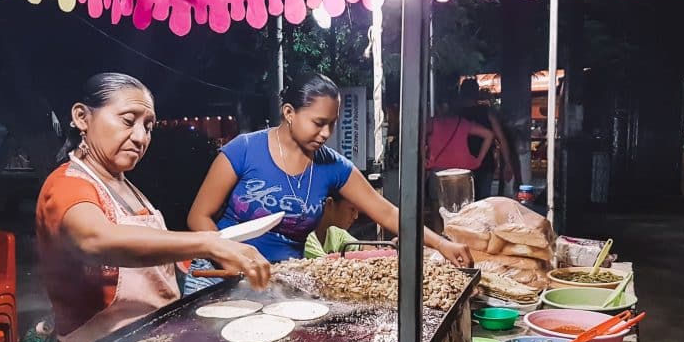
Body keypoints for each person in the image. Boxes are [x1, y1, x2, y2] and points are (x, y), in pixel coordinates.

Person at [36, 73, 270, 342]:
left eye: (148, 127)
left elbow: (150, 263)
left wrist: (203, 266)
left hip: (150, 340)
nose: (140, 137)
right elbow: (97, 240)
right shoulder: (66, 184)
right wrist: (209, 242)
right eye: (127, 120)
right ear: (82, 117)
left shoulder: (125, 187)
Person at [188, 73, 472, 266]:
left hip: (279, 282)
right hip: (217, 275)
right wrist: (230, 259)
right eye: (318, 122)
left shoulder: (333, 166)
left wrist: (442, 244)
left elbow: (387, 213)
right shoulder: (244, 149)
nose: (326, 133)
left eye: (332, 124)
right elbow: (198, 216)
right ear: (289, 113)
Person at [457, 78, 517, 197]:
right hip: (485, 163)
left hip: (460, 163)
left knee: (463, 203)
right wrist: (508, 164)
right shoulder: (487, 113)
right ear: (477, 93)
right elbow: (502, 140)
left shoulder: (455, 114)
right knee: (483, 202)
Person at [304, 191, 360, 258]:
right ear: (330, 204)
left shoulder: (336, 231)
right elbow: (326, 264)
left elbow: (362, 247)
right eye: (352, 209)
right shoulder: (303, 234)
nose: (356, 216)